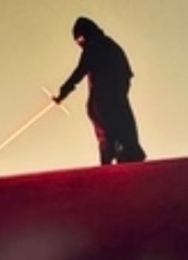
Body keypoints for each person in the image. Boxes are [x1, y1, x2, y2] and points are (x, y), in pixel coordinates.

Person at [54, 16, 147, 164]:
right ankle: (122, 153)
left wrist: (64, 90)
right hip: (113, 94)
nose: (80, 44)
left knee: (106, 123)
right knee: (114, 123)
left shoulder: (96, 45)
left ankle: (116, 156)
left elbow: (80, 70)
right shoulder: (108, 44)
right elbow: (126, 75)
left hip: (107, 94)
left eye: (80, 39)